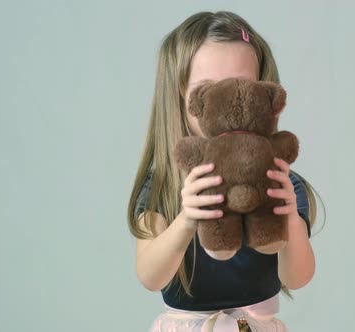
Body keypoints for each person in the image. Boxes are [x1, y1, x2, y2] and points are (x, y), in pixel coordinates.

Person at [127, 11, 322, 331]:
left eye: (241, 87)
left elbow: (298, 277)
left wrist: (288, 219)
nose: (229, 103)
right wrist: (187, 218)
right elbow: (149, 276)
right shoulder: (163, 185)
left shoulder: (280, 180)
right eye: (208, 88)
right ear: (181, 94)